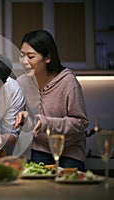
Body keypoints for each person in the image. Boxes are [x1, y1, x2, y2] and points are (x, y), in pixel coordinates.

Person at [14, 29, 89, 171]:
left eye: (31, 56)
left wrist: (46, 123)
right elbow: (29, 122)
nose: (24, 62)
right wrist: (24, 120)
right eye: (22, 55)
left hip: (69, 151)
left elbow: (81, 122)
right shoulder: (21, 82)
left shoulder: (68, 82)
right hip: (40, 149)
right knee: (39, 189)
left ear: (47, 58)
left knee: (69, 189)